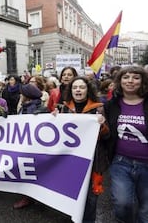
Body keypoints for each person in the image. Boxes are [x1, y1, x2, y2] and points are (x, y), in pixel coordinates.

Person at [57, 77, 109, 222]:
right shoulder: (64, 108)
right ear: (71, 90)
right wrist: (54, 119)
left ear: (88, 90)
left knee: (91, 198)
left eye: (81, 87)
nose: (78, 90)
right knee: (72, 194)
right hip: (71, 159)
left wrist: (102, 126)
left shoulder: (99, 108)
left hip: (93, 161)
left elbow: (107, 136)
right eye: (75, 88)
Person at [105, 66, 148, 223]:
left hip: (146, 164)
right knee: (123, 204)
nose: (130, 81)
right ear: (119, 81)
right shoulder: (111, 105)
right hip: (120, 163)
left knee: (146, 210)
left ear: (142, 81)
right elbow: (106, 134)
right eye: (126, 77)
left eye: (136, 77)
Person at [13, 84, 47, 209]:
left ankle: (29, 198)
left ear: (27, 96)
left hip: (33, 148)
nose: (20, 96)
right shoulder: (26, 107)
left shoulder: (38, 110)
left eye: (22, 94)